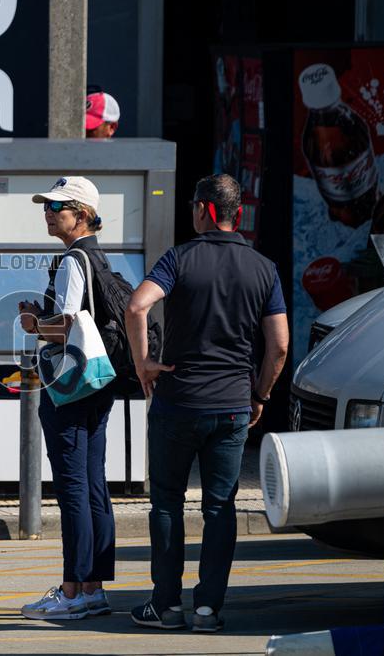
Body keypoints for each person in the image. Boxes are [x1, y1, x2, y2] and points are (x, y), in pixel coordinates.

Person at [125, 173, 288, 632]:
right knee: (220, 506)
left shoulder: (179, 258)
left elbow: (137, 307)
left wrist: (144, 363)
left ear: (203, 209)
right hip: (233, 404)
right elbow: (278, 346)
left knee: (166, 504)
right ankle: (207, 609)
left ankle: (165, 605)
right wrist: (261, 395)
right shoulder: (264, 268)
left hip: (178, 401)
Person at [17, 176, 117, 621]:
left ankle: (73, 590)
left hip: (71, 388)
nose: (48, 212)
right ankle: (93, 588)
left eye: (57, 206)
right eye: (47, 205)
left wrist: (33, 324)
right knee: (93, 484)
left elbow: (68, 325)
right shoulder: (98, 256)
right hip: (98, 384)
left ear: (81, 214)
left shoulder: (74, 260)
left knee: (74, 488)